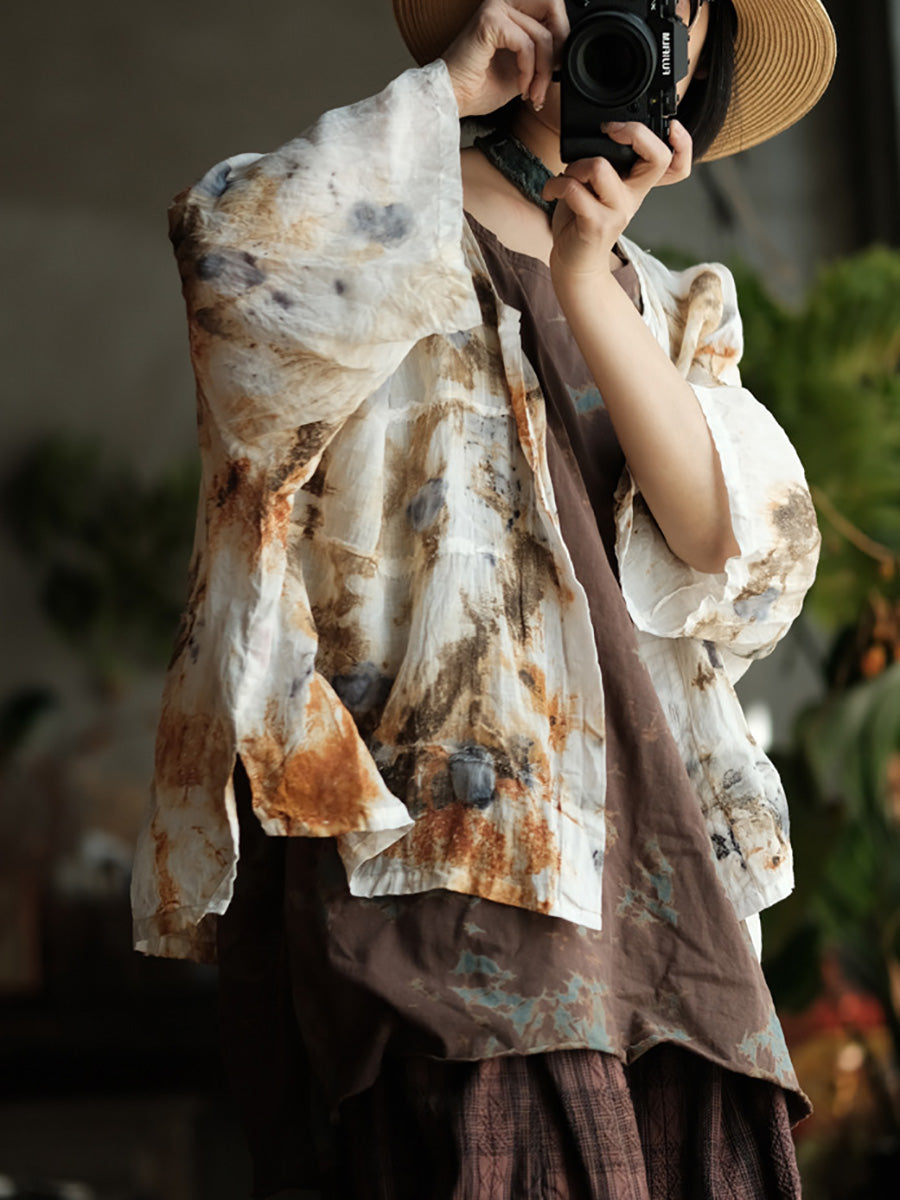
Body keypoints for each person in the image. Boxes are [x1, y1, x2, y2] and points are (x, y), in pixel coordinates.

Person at [131, 1, 837, 1195]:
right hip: (445, 873)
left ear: (699, 59)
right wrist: (444, 98)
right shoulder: (378, 216)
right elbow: (231, 270)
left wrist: (587, 275)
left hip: (670, 902)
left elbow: (739, 549)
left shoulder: (678, 307)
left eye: (674, 5)